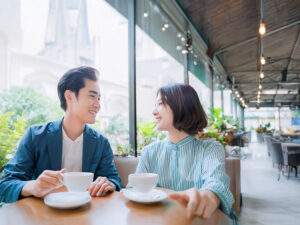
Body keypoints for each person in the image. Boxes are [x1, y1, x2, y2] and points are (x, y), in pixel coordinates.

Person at [0, 66, 121, 203]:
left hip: (86, 214)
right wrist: (33, 186)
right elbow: (5, 185)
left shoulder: (101, 143)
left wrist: (109, 183)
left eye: (99, 98)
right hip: (43, 216)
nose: (98, 105)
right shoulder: (35, 136)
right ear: (69, 96)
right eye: (92, 96)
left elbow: (113, 179)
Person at [135, 83, 236, 221]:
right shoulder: (149, 152)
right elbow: (135, 190)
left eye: (160, 104)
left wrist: (210, 195)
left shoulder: (211, 149)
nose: (153, 112)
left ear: (181, 106)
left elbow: (216, 182)